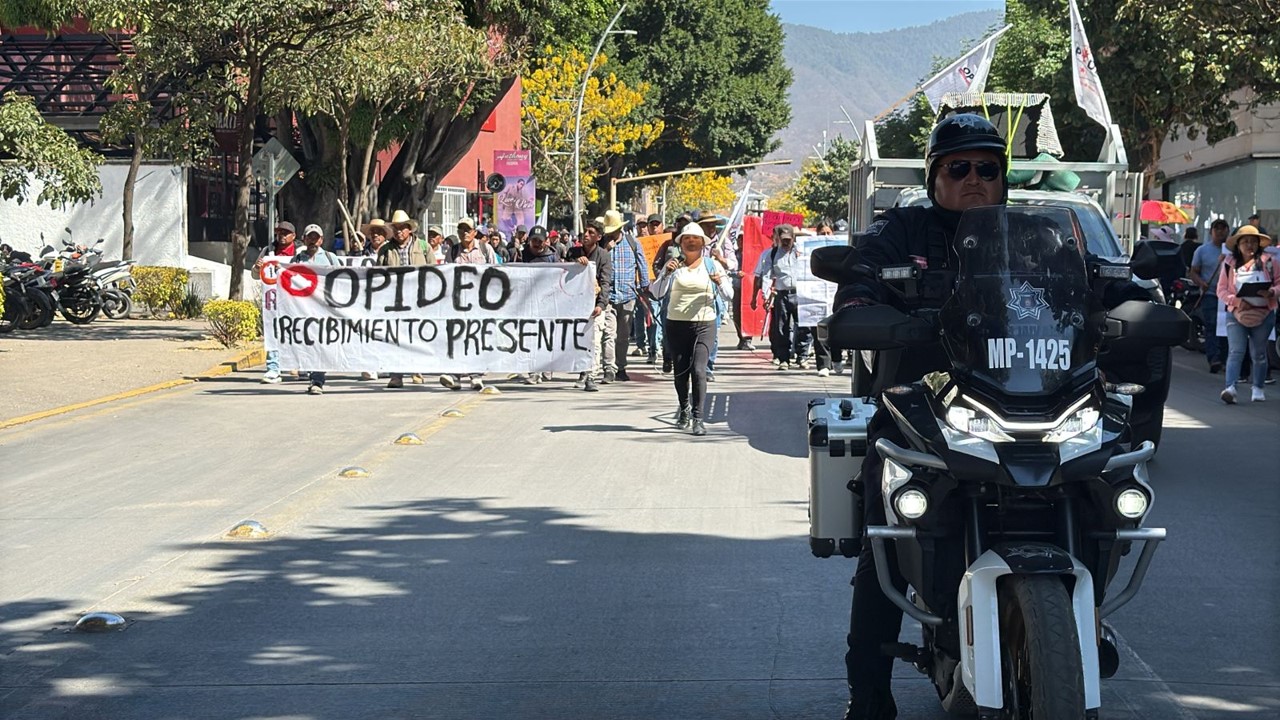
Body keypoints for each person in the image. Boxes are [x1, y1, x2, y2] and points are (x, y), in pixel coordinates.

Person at [833, 114, 1012, 720]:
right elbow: (857, 282)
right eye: (958, 167)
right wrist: (863, 306)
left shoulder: (1033, 235)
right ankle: (869, 695)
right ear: (936, 175)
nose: (973, 180)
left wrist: (1130, 303)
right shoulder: (902, 227)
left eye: (987, 169)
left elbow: (1097, 285)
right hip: (922, 407)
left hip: (1024, 405)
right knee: (886, 541)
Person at [650, 220, 731, 436]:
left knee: (699, 370)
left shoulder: (713, 266)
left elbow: (729, 295)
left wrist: (720, 283)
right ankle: (684, 407)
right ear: (681, 244)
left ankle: (698, 417)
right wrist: (665, 274)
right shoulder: (674, 266)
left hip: (705, 324)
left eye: (695, 239)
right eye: (687, 239)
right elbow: (656, 293)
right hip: (676, 324)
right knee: (681, 372)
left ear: (703, 243)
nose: (691, 242)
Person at [1216, 225, 1278, 403]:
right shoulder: (1229, 264)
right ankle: (1230, 388)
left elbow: (1279, 283)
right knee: (1236, 351)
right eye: (1245, 242)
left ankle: (1258, 387)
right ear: (1238, 245)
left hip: (1264, 314)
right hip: (1236, 315)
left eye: (1253, 241)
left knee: (1259, 353)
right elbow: (1221, 290)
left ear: (1259, 244)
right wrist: (1236, 302)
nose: (1249, 245)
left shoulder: (1270, 261)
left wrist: (1272, 292)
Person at [378, 214, 432, 389]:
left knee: (416, 335)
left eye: (402, 228)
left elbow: (435, 272)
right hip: (394, 300)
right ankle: (396, 375)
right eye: (396, 228)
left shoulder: (423, 247)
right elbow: (378, 275)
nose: (399, 231)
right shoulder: (385, 250)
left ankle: (416, 370)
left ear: (410, 229)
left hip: (418, 299)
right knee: (395, 337)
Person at [440, 217, 492, 392]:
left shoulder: (485, 249)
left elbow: (499, 273)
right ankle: (455, 375)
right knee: (458, 337)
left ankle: (476, 375)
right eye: (461, 229)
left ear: (474, 232)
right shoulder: (453, 251)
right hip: (458, 303)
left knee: (476, 337)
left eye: (467, 230)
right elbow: (445, 275)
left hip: (480, 303)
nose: (464, 233)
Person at [291, 226, 342, 395]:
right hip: (303, 309)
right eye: (309, 237)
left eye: (316, 237)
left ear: (321, 240)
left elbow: (343, 278)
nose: (313, 241)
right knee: (307, 342)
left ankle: (317, 380)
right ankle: (311, 373)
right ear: (304, 239)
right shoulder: (297, 260)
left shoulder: (330, 258)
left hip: (324, 309)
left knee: (320, 343)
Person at [752, 224, 807, 368]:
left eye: (789, 240)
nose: (786, 243)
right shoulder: (772, 254)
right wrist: (766, 294)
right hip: (782, 295)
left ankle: (802, 356)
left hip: (800, 293)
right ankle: (783, 358)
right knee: (781, 328)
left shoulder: (801, 252)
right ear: (778, 239)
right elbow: (767, 275)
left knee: (803, 327)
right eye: (783, 240)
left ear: (793, 238)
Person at [605, 209, 650, 382]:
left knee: (623, 335)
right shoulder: (603, 244)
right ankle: (609, 368)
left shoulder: (632, 242)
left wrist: (645, 287)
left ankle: (621, 367)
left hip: (627, 295)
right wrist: (605, 249)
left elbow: (642, 265)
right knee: (609, 333)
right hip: (607, 296)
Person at [568, 219, 613, 392]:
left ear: (598, 237)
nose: (586, 235)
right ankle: (582, 371)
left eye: (591, 233)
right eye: (585, 232)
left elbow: (606, 282)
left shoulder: (603, 256)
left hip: (595, 306)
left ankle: (591, 376)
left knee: (594, 341)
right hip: (574, 306)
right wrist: (575, 264)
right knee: (578, 340)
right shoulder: (573, 252)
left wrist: (601, 304)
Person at [254, 221, 299, 384]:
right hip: (273, 301)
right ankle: (273, 368)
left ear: (293, 236)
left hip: (296, 301)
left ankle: (300, 364)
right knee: (273, 333)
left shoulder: (299, 252)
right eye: (279, 232)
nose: (282, 235)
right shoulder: (268, 251)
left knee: (298, 332)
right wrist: (258, 268)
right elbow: (255, 275)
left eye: (286, 233)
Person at [1191, 219, 1229, 373]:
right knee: (1212, 325)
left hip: (1228, 295)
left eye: (1223, 229)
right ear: (1211, 231)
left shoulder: (1232, 251)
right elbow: (1193, 272)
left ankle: (1225, 358)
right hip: (1210, 294)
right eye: (1217, 229)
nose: (1220, 232)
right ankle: (1214, 358)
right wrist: (1201, 283)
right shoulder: (1202, 250)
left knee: (1227, 327)